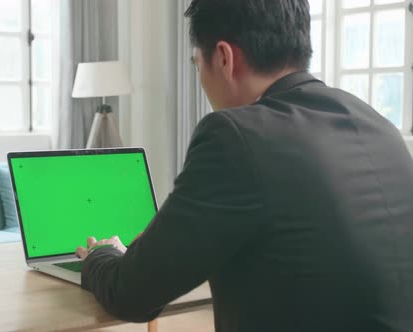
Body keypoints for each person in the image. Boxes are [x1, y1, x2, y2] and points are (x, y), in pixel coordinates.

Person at [74, 0, 413, 331]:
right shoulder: (377, 125)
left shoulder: (235, 137)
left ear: (224, 57)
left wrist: (99, 255)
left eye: (196, 64)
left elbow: (132, 294)